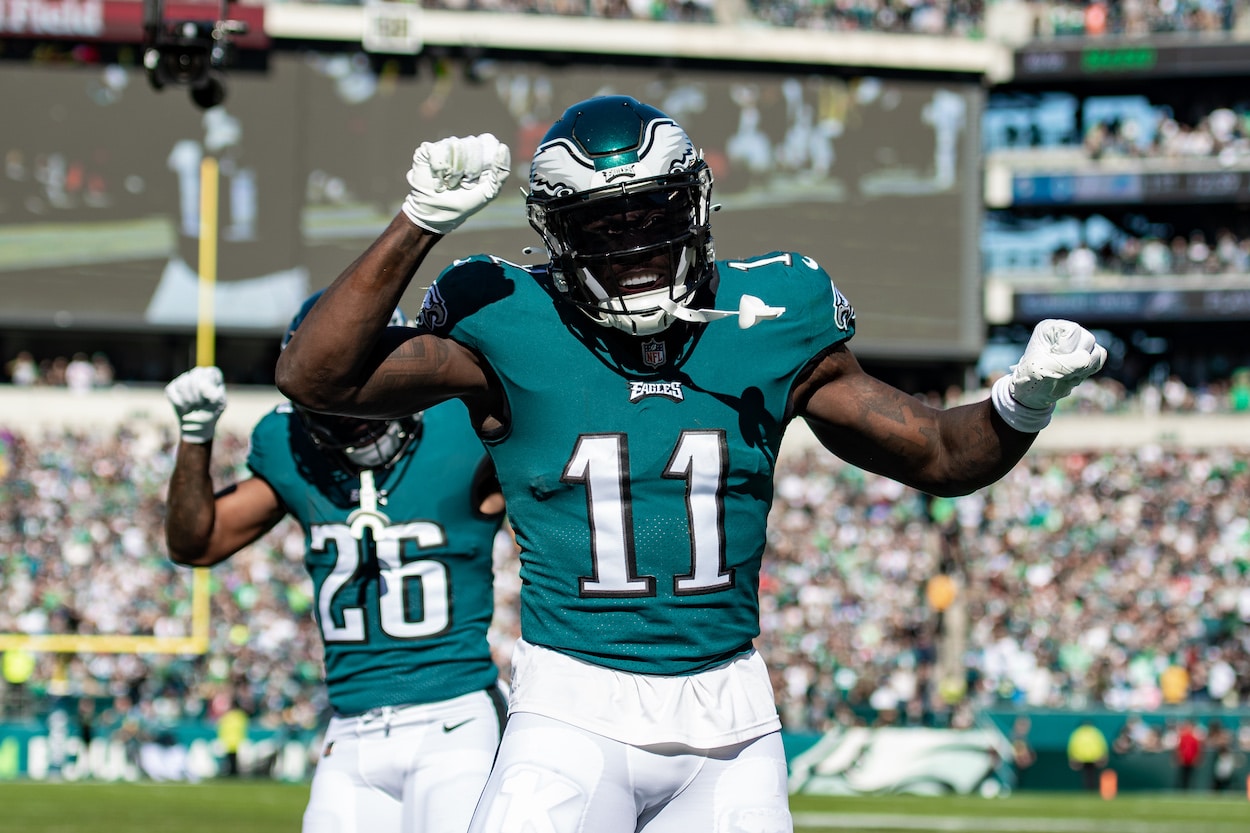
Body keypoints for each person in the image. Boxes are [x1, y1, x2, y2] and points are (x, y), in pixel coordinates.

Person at [275, 95, 1106, 833]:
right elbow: (318, 376)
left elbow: (940, 453)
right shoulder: (510, 321)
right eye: (604, 225)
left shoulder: (772, 316)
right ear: (559, 237)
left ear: (697, 206)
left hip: (733, 724)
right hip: (569, 711)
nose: (634, 246)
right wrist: (418, 219)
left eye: (651, 214)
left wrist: (1022, 398)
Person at [164, 292, 508, 833]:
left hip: (457, 717)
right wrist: (194, 437)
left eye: (365, 394)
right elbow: (195, 544)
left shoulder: (462, 429)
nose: (356, 421)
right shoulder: (286, 445)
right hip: (349, 730)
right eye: (334, 403)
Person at [1067, 720, 1109, 792]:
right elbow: (1102, 744)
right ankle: (1092, 789)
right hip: (1095, 757)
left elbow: (1072, 745)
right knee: (1092, 775)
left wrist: (1072, 757)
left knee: (1086, 775)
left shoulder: (1078, 732)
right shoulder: (1096, 732)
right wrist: (1103, 756)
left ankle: (1087, 789)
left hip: (1081, 757)